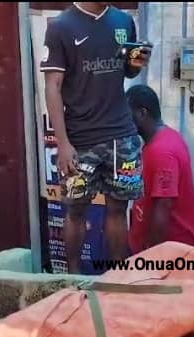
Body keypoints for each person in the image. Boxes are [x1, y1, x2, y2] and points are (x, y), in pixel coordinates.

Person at [41, 2, 151, 273]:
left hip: (121, 136)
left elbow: (129, 71)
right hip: (79, 140)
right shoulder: (61, 27)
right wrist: (62, 143)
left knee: (118, 210)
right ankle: (72, 278)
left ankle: (117, 279)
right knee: (76, 210)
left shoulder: (124, 21)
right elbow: (52, 86)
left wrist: (137, 60)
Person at [124, 84, 194, 253]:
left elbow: (163, 205)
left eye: (127, 115)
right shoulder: (166, 138)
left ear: (142, 113)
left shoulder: (162, 151)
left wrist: (152, 257)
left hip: (169, 253)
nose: (124, 121)